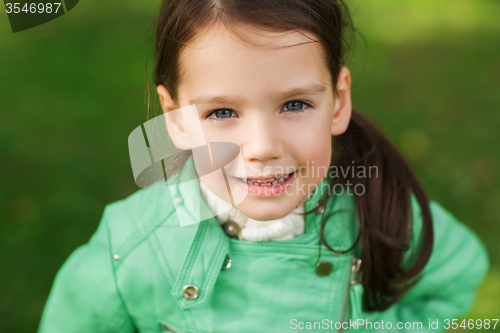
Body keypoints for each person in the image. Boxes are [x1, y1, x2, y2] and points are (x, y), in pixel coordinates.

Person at [38, 0, 490, 332]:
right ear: (174, 119)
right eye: (221, 113)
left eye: (294, 104)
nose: (261, 147)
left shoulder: (382, 210)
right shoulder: (131, 249)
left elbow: (455, 276)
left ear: (338, 102)